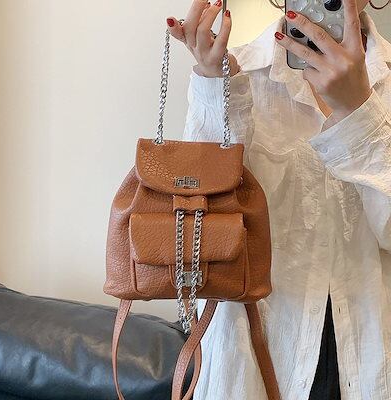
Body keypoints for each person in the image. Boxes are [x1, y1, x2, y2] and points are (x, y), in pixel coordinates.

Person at [166, 0, 391, 399]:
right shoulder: (237, 73)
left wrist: (359, 113)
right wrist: (214, 86)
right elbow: (202, 221)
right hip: (253, 357)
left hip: (370, 356)